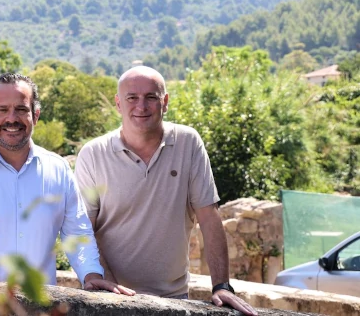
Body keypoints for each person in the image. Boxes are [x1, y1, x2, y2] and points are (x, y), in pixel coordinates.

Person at [0, 72, 135, 294]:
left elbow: (77, 233)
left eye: (21, 110)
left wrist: (91, 275)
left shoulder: (58, 170)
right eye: (2, 110)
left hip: (41, 305)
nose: (12, 119)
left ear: (36, 115)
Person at [74, 65, 257, 315]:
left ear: (165, 101)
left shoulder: (188, 143)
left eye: (151, 97)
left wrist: (222, 285)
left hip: (174, 299)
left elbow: (209, 217)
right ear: (118, 103)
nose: (142, 106)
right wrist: (98, 281)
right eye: (132, 98)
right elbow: (83, 228)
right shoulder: (93, 154)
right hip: (111, 299)